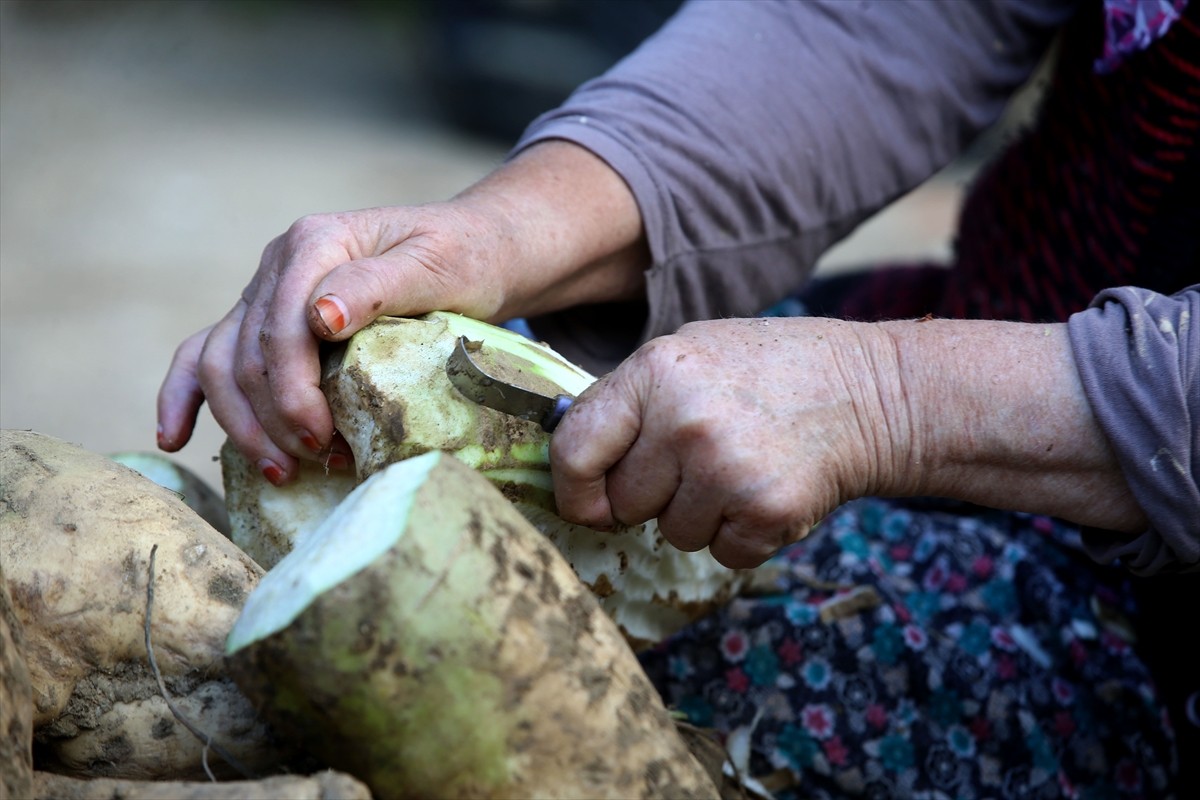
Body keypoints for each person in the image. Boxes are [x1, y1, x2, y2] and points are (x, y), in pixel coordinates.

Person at [158, 0, 1198, 796]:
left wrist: (886, 397)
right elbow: (885, 22)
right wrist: (510, 229)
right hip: (1021, 317)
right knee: (537, 367)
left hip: (1155, 594)